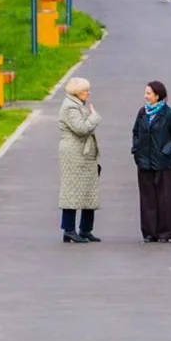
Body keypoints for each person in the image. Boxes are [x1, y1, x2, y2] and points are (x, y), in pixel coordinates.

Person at [130, 80, 171, 242]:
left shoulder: (170, 114)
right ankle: (149, 232)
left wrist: (165, 151)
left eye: (148, 93)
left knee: (165, 198)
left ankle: (165, 232)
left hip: (164, 164)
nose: (145, 96)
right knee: (147, 198)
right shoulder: (142, 113)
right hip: (144, 162)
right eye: (145, 93)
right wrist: (136, 149)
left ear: (157, 95)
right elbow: (136, 132)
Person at [57, 77, 102, 243]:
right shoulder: (69, 107)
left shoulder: (77, 105)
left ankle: (85, 229)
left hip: (85, 154)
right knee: (72, 191)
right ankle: (69, 229)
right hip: (74, 154)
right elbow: (81, 129)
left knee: (89, 190)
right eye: (86, 90)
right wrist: (94, 117)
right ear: (77, 92)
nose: (88, 93)